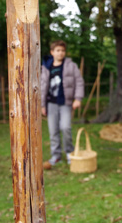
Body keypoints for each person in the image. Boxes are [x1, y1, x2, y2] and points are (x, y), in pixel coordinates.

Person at [40, 40, 84, 169]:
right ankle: (56, 155)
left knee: (65, 128)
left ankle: (70, 152)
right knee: (53, 130)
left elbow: (79, 82)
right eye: (58, 51)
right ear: (52, 52)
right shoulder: (46, 67)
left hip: (66, 102)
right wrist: (42, 105)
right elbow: (42, 87)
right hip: (51, 103)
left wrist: (78, 98)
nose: (60, 53)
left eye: (63, 51)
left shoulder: (71, 66)